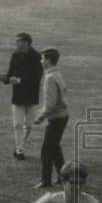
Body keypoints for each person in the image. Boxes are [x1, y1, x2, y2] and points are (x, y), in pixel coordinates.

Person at [0, 32, 43, 161]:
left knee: (28, 125)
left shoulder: (36, 57)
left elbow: (37, 78)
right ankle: (19, 150)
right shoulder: (15, 55)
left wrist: (18, 80)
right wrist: (5, 79)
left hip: (31, 96)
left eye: (18, 41)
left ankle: (19, 146)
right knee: (17, 124)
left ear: (26, 42)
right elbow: (10, 73)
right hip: (18, 96)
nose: (16, 43)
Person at [33, 48, 68, 189]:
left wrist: (39, 118)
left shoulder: (49, 78)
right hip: (62, 115)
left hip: (57, 117)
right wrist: (42, 111)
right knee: (54, 149)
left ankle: (46, 181)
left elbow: (51, 103)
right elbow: (56, 99)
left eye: (42, 59)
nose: (41, 61)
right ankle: (63, 177)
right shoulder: (56, 74)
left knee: (46, 150)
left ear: (47, 60)